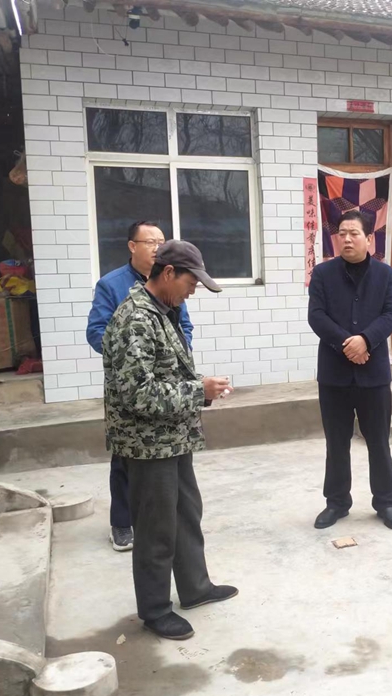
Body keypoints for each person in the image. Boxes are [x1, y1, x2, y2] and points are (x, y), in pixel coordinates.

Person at [102, 240, 236, 640]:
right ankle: (155, 610)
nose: (193, 291)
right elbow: (138, 394)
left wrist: (201, 388)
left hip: (173, 438)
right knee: (156, 528)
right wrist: (199, 390)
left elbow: (166, 374)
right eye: (191, 282)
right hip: (147, 445)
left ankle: (195, 587)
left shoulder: (163, 311)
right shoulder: (135, 319)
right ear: (168, 273)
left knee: (186, 514)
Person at [87, 220, 194, 552]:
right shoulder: (112, 285)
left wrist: (174, 355)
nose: (157, 248)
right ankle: (122, 522)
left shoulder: (172, 283)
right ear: (132, 246)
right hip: (133, 384)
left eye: (161, 241)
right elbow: (97, 331)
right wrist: (133, 355)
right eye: (150, 242)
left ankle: (163, 526)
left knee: (169, 470)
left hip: (169, 389)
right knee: (126, 457)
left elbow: (184, 327)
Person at [307, 209, 392, 530]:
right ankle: (336, 503)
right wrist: (347, 344)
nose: (346, 239)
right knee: (336, 443)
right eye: (342, 234)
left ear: (369, 238)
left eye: (354, 233)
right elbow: (316, 316)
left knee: (379, 441)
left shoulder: (385, 275)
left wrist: (366, 340)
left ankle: (386, 502)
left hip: (373, 375)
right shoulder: (323, 274)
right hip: (334, 375)